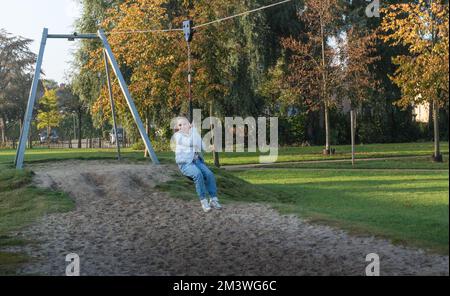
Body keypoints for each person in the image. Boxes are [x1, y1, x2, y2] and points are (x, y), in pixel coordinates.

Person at [172, 116, 222, 212]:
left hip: (197, 161)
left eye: (185, 123)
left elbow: (202, 146)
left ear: (189, 125)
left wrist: (211, 147)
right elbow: (190, 143)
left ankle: (213, 199)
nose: (182, 126)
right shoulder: (178, 136)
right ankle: (204, 201)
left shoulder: (194, 134)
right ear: (178, 128)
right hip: (185, 164)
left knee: (209, 174)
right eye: (180, 125)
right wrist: (194, 129)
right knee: (198, 174)